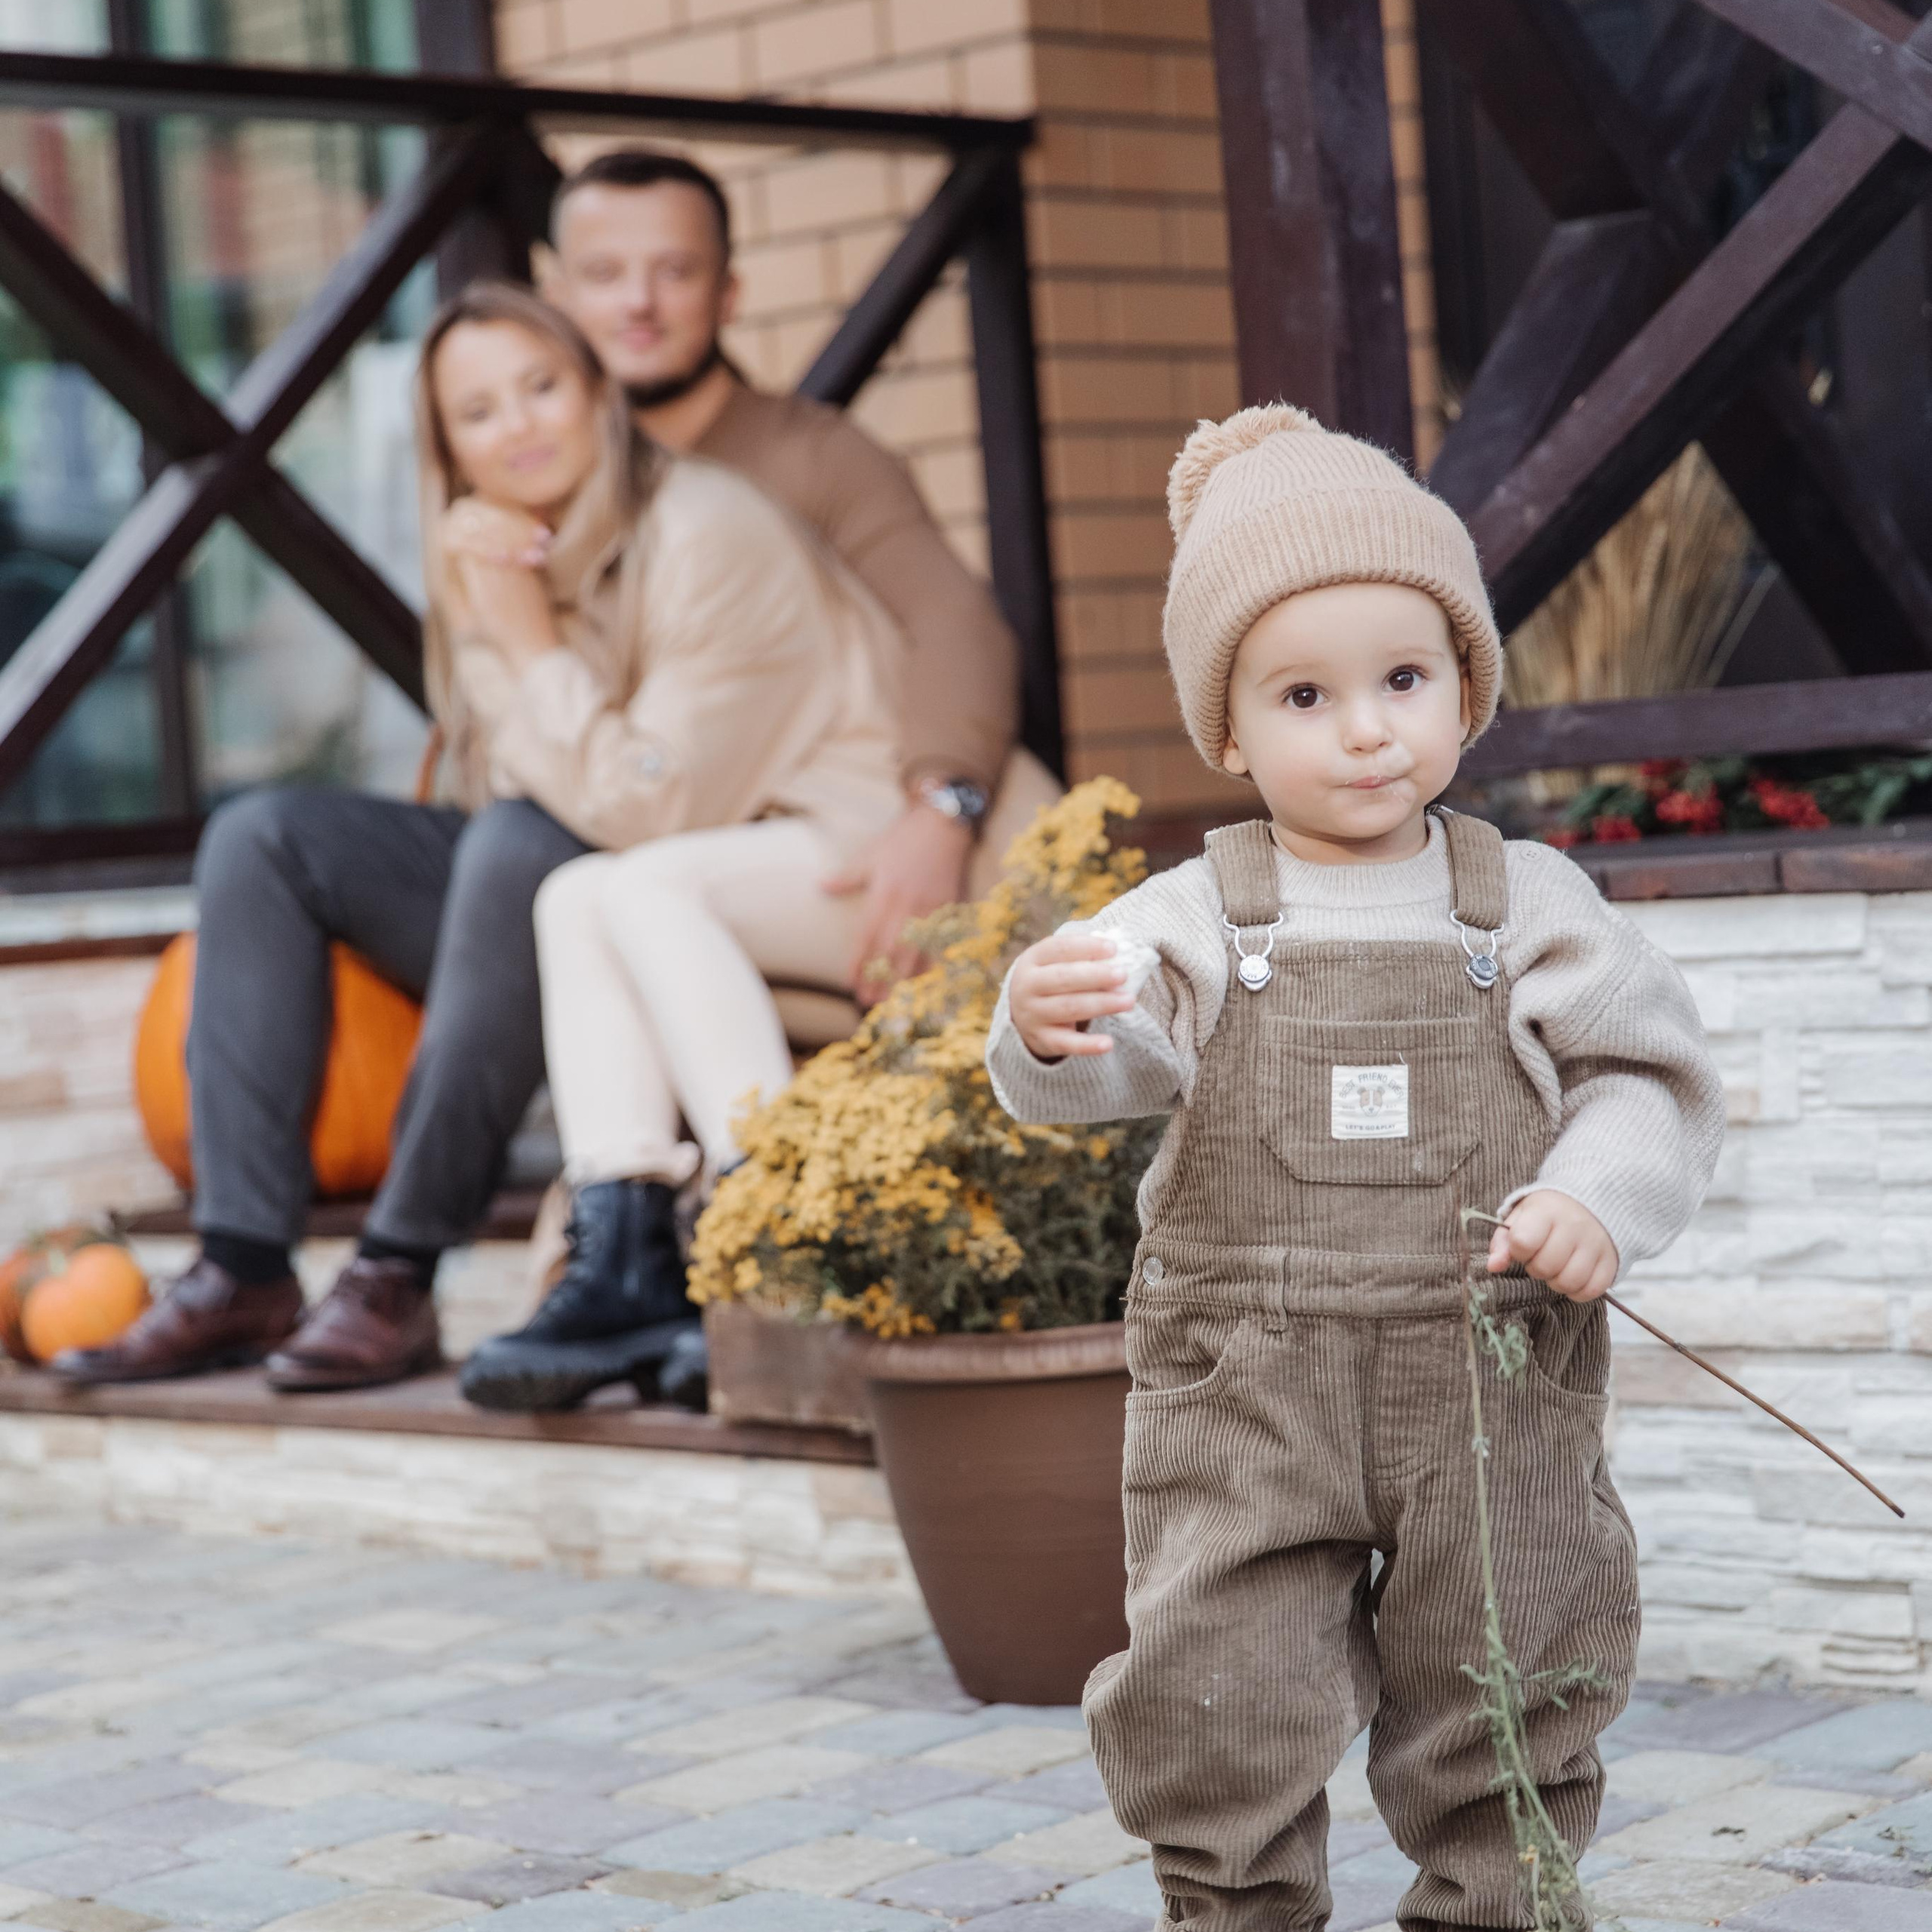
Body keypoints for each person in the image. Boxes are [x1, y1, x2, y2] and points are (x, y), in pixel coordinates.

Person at [985, 407, 1725, 1930]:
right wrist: (1052, 1032)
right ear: (1230, 730)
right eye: (1303, 693)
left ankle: (1492, 1901)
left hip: (1487, 1365)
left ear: (1464, 683)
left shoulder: (1525, 903)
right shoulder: (1194, 911)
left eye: (1404, 677)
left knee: (1504, 1660)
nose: (1366, 727)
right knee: (1220, 1679)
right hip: (1243, 1386)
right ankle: (1233, 1905)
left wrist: (1593, 1192)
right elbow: (1117, 1065)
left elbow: (1641, 1072)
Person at [53, 285, 903, 1398]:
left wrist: (524, 636)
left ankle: (398, 1269)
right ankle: (243, 1267)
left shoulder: (708, 530)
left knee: (512, 848)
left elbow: (653, 808)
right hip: (589, 884)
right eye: (481, 412)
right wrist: (500, 611)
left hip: (782, 864)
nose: (522, 427)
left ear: (598, 393)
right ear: (448, 445)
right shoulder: (493, 554)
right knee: (262, 836)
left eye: (543, 387)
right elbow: (504, 775)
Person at [537, 148, 1027, 1002]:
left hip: (794, 844)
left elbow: (953, 619)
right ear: (560, 299)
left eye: (675, 271)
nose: (638, 303)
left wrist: (940, 811)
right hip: (620, 831)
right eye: (606, 273)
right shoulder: (543, 482)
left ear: (728, 294)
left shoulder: (814, 456)